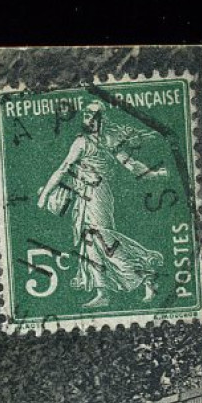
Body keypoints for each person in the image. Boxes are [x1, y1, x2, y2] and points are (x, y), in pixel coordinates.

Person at [36, 100, 170, 308]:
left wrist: (152, 174)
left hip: (98, 194)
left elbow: (129, 164)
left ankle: (144, 272)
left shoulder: (106, 141)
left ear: (101, 118)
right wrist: (46, 193)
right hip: (83, 194)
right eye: (85, 115)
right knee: (89, 242)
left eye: (91, 115)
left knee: (102, 237)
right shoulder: (81, 142)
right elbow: (63, 169)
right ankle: (104, 292)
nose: (86, 119)